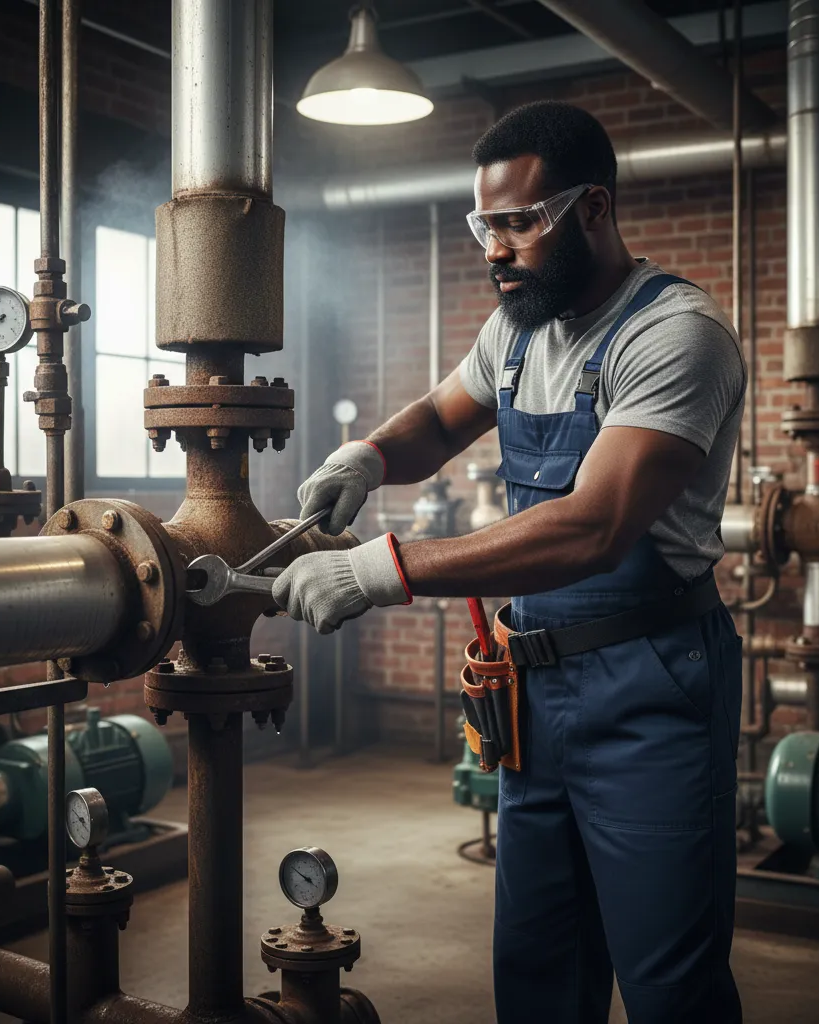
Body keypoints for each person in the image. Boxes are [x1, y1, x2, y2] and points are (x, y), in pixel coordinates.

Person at [273, 101, 746, 1024]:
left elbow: (594, 527)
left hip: (646, 692)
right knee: (537, 973)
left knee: (668, 983)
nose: (495, 248)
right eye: (484, 223)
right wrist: (367, 456)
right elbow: (441, 418)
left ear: (594, 210)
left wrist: (383, 570)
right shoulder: (520, 330)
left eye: (521, 222)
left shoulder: (674, 335)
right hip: (532, 699)